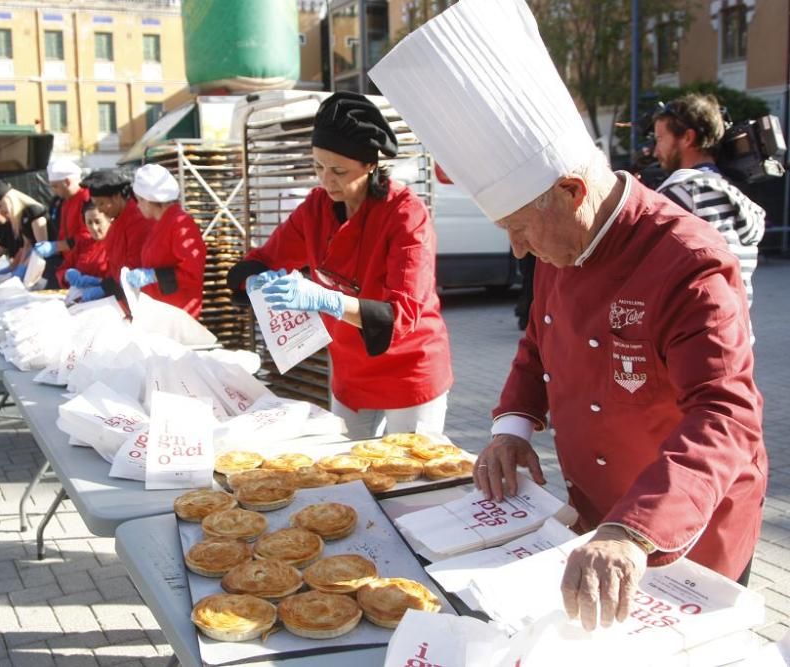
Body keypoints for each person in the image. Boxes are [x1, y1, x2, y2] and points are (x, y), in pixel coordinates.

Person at [370, 0, 765, 632]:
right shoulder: (565, 239)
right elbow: (537, 345)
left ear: (572, 191)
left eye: (521, 227)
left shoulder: (687, 261)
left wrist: (634, 531)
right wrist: (513, 427)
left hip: (686, 527)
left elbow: (725, 416)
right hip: (597, 517)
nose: (520, 249)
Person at [225, 92, 453, 438]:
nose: (326, 180)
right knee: (347, 475)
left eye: (339, 171)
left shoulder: (406, 215)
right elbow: (263, 259)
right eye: (318, 167)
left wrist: (326, 299)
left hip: (408, 367)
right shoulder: (316, 209)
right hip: (350, 370)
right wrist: (256, 281)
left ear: (370, 165)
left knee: (410, 477)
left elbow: (402, 314)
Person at [653, 94, 766, 310]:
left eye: (660, 139)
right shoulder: (731, 192)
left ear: (687, 138)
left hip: (697, 336)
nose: (656, 150)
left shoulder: (685, 195)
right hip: (736, 334)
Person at [123, 164, 206, 316]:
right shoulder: (160, 223)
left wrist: (153, 275)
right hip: (161, 308)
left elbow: (192, 274)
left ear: (148, 200)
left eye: (139, 200)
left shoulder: (180, 224)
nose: (138, 206)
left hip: (179, 313)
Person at [66, 169, 152, 307]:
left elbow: (133, 269)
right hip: (120, 296)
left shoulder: (137, 221)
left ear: (117, 197)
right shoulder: (117, 220)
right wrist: (103, 284)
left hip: (136, 300)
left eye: (101, 203)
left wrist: (106, 289)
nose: (99, 210)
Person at [33, 159, 93, 287]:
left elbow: (89, 235)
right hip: (70, 261)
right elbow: (63, 232)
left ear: (67, 182)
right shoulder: (65, 202)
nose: (54, 191)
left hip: (87, 261)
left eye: (55, 186)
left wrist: (57, 246)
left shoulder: (86, 199)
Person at [0, 182, 53, 285]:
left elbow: (41, 246)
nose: (0, 211)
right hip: (37, 263)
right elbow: (27, 245)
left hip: (50, 263)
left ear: (9, 200)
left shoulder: (33, 211)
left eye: (1, 206)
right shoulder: (21, 216)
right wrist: (19, 267)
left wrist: (23, 269)